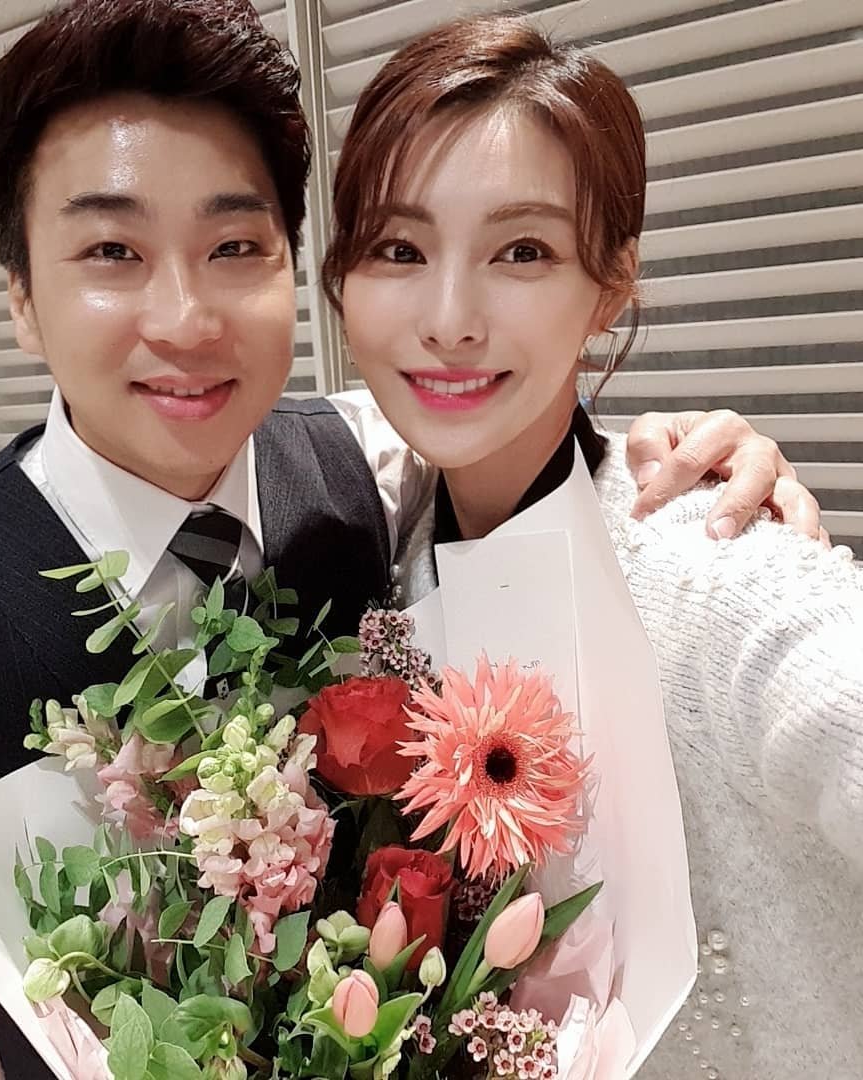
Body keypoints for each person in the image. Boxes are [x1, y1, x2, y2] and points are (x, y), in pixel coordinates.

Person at [0, 2, 819, 1078]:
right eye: (111, 251)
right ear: (24, 300)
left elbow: (520, 431)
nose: (186, 320)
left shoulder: (367, 460)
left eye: (234, 246)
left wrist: (689, 462)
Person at [323, 13, 863, 1079]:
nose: (450, 319)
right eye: (399, 249)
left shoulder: (712, 565)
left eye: (522, 251)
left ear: (610, 284)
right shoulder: (379, 547)